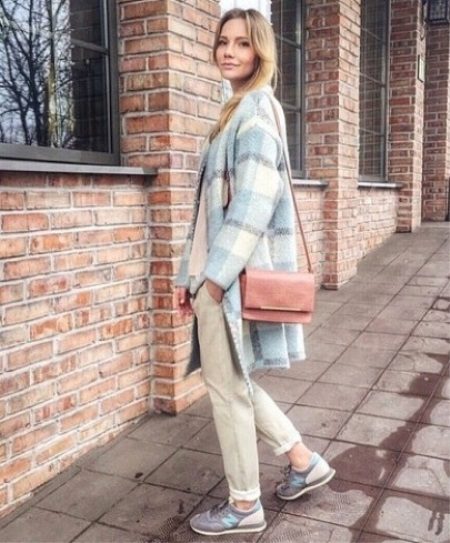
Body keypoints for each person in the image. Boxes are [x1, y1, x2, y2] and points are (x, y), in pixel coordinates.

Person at [175, 8, 335, 537]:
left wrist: (214, 279)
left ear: (260, 51)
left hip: (226, 280)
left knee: (227, 391)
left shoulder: (255, 111)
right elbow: (207, 211)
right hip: (212, 277)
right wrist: (187, 277)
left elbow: (253, 203)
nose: (229, 51)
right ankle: (303, 461)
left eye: (243, 43)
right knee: (233, 382)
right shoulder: (236, 109)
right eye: (224, 41)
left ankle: (244, 505)